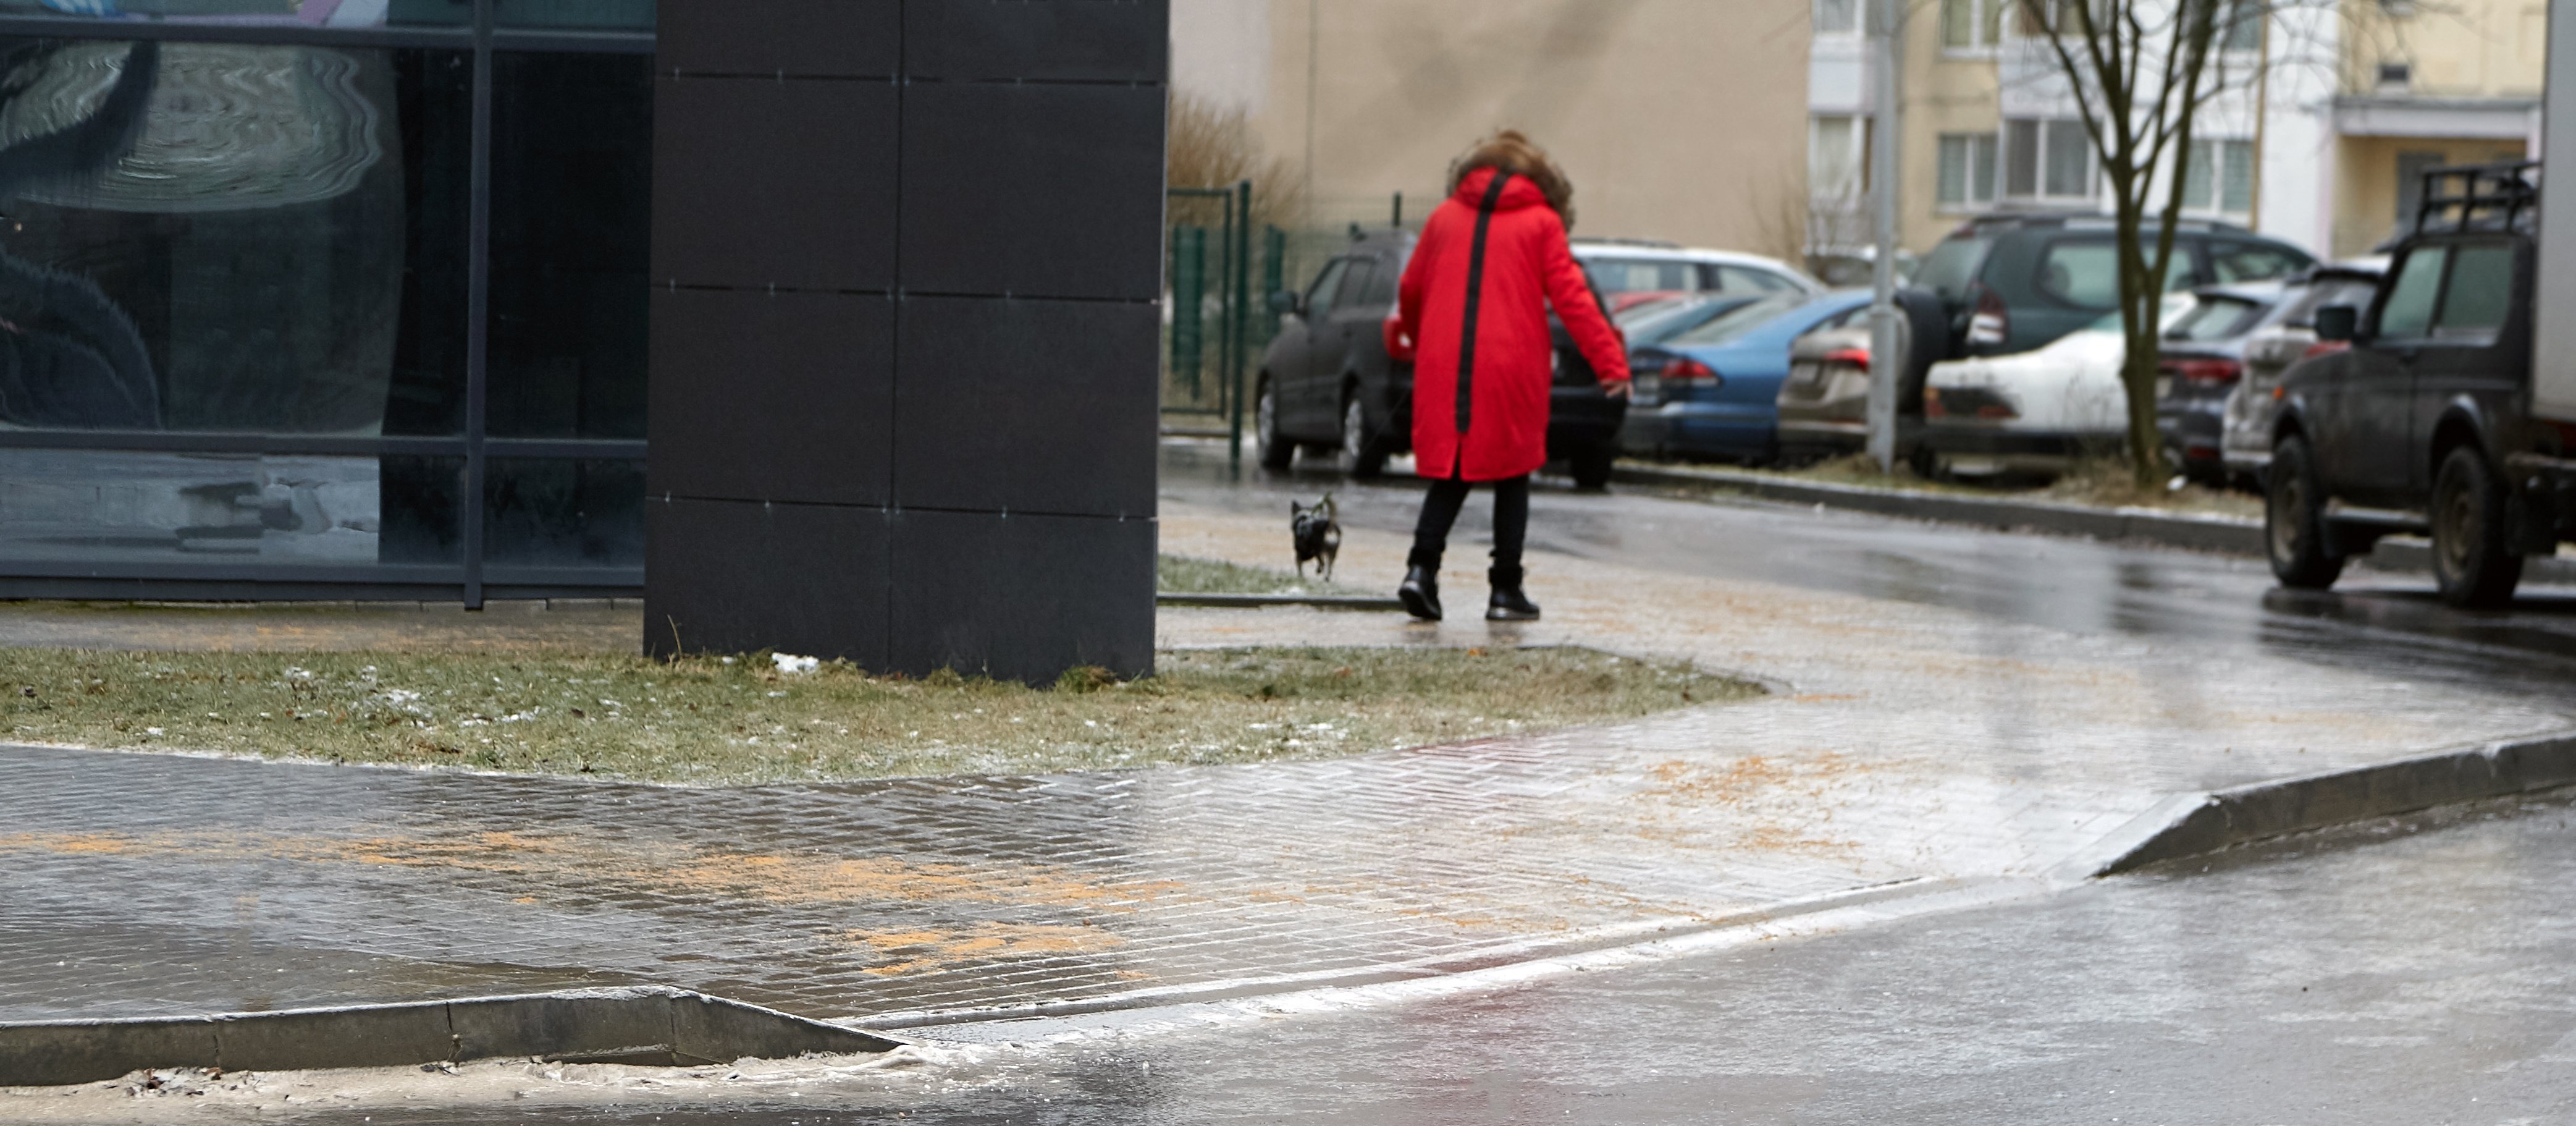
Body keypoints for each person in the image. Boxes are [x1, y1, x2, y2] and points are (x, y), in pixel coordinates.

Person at [1393, 130, 1630, 622]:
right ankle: (1505, 589)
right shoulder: (1542, 223)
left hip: (1444, 360)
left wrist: (1420, 340)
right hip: (1512, 363)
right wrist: (1609, 363)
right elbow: (1573, 297)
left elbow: (1411, 287)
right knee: (1512, 471)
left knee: (1452, 470)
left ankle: (1421, 570)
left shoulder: (1442, 218)